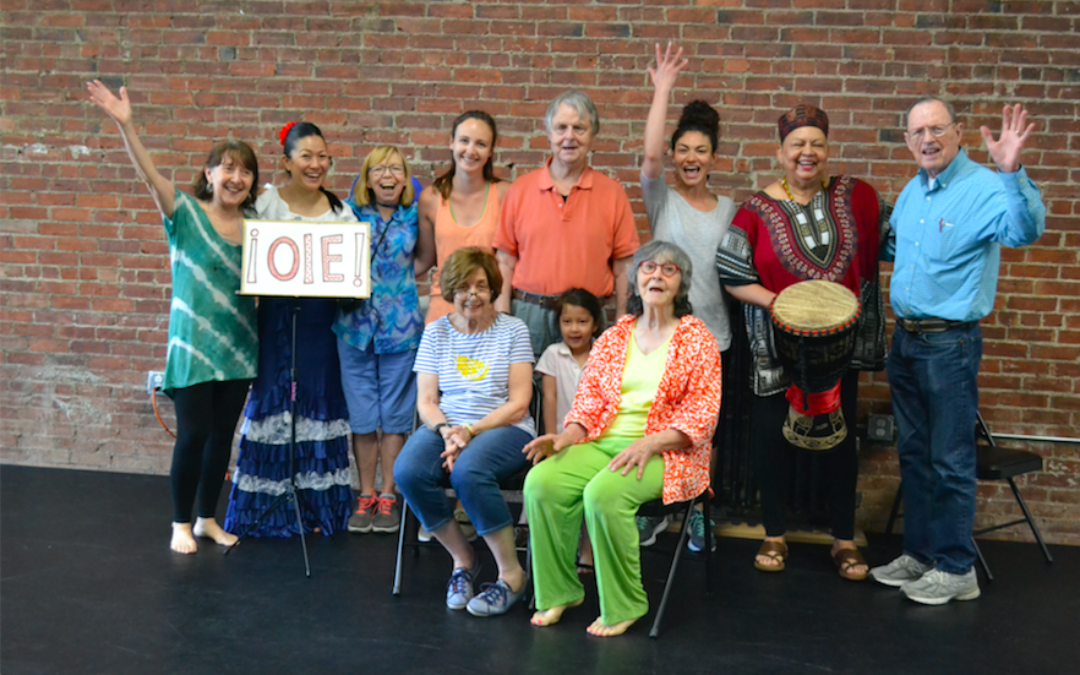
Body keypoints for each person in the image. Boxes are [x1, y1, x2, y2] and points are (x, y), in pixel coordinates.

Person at [870, 99, 1046, 604]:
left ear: (958, 132)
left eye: (936, 129)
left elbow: (1024, 231)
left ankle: (956, 568)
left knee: (949, 459)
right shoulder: (912, 192)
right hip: (905, 341)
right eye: (917, 131)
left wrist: (1011, 171)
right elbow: (898, 250)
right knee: (915, 455)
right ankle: (922, 555)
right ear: (908, 141)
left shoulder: (987, 187)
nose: (927, 138)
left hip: (950, 345)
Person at [87, 80, 258, 554]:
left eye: (245, 171)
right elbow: (148, 177)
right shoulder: (183, 212)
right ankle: (180, 521)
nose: (236, 177)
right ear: (209, 173)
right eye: (228, 168)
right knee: (194, 435)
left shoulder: (259, 231)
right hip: (193, 347)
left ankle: (207, 518)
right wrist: (127, 126)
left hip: (240, 344)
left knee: (223, 438)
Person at [717, 103, 885, 581]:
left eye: (816, 144)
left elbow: (898, 237)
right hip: (776, 346)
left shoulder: (858, 198)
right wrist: (781, 305)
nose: (807, 153)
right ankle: (773, 532)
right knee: (771, 437)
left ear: (827, 151)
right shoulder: (754, 210)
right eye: (797, 145)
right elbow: (731, 272)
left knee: (840, 442)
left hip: (840, 348)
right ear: (781, 152)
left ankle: (844, 540)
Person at [524, 240, 722, 637]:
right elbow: (589, 403)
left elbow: (703, 414)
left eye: (670, 270)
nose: (657, 276)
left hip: (668, 452)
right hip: (602, 442)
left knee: (604, 495)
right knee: (541, 482)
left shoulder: (697, 338)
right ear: (635, 279)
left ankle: (626, 603)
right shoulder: (615, 336)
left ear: (681, 284)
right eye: (649, 268)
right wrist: (566, 438)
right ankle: (561, 591)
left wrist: (648, 443)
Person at [223, 122, 355, 537]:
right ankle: (268, 507)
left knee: (318, 404)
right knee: (274, 400)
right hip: (277, 322)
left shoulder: (341, 213)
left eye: (322, 157)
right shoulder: (264, 206)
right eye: (306, 156)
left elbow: (350, 281)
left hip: (321, 326)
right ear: (287, 162)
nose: (315, 165)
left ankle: (317, 507)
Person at [393, 248, 535, 617]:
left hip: (504, 427)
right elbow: (426, 401)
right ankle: (463, 560)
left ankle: (511, 575)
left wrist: (470, 431)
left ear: (493, 290)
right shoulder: (436, 332)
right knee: (407, 471)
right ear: (450, 290)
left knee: (469, 471)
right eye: (463, 287)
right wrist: (446, 432)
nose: (472, 295)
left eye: (481, 286)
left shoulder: (513, 329)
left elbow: (520, 402)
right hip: (448, 427)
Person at [639, 43, 738, 553]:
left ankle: (698, 509)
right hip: (663, 338)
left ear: (714, 158)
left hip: (714, 338)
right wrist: (663, 89)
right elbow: (651, 156)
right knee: (657, 427)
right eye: (684, 150)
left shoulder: (730, 209)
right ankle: (654, 513)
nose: (691, 158)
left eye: (702, 151)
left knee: (703, 434)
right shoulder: (663, 199)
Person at [493, 90, 640, 356]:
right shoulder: (520, 190)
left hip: (587, 318)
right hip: (529, 317)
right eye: (561, 127)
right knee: (528, 393)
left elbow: (624, 268)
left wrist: (622, 321)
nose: (569, 136)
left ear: (592, 136)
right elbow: (504, 260)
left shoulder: (612, 193)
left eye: (579, 128)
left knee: (590, 395)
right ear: (549, 133)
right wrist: (502, 316)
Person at [336, 145, 432, 535]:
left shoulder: (416, 213)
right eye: (379, 169)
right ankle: (366, 493)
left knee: (394, 416)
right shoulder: (348, 212)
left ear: (407, 176)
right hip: (353, 327)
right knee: (362, 417)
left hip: (403, 327)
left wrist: (399, 284)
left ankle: (389, 495)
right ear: (366, 177)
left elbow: (426, 258)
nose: (388, 175)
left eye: (396, 168)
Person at [417, 111, 512, 324]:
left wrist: (503, 313)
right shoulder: (430, 198)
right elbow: (424, 259)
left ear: (491, 150)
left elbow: (511, 260)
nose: (470, 150)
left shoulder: (505, 194)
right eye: (464, 141)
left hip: (488, 310)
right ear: (451, 143)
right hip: (442, 310)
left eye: (480, 144)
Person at [535, 288, 604, 572]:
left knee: (592, 490)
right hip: (563, 438)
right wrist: (554, 439)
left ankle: (587, 550)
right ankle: (561, 555)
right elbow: (549, 398)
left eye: (582, 322)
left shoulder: (604, 353)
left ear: (595, 324)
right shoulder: (553, 354)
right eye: (567, 322)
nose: (574, 329)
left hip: (595, 439)